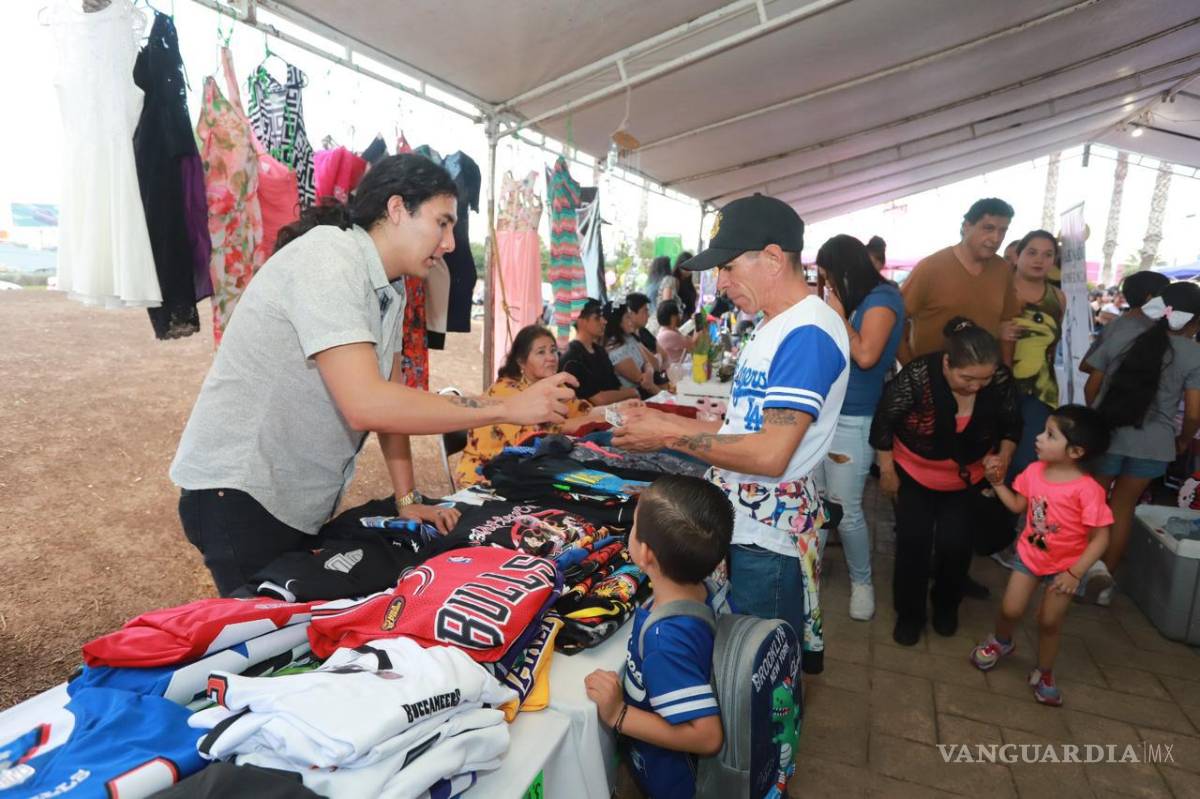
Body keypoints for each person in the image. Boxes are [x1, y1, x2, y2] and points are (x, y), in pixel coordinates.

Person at [170, 154, 577, 596]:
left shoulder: (392, 286)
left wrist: (407, 500)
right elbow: (367, 404)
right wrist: (506, 407)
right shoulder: (330, 258)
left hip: (283, 497)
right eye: (442, 223)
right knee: (270, 637)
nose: (451, 244)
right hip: (240, 493)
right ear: (398, 208)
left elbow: (391, 397)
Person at [613, 194, 850, 674]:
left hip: (769, 540)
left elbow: (769, 454)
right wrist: (665, 421)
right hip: (751, 525)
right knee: (742, 664)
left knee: (756, 678)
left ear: (772, 258)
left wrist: (667, 437)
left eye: (727, 266)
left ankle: (757, 753)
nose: (720, 282)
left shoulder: (807, 333)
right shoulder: (777, 324)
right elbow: (738, 429)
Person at [870, 318, 1021, 645]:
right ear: (947, 363)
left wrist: (1004, 455)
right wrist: (887, 470)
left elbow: (1012, 424)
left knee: (956, 545)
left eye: (985, 378)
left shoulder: (999, 380)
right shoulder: (918, 375)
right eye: (967, 378)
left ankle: (946, 605)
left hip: (967, 478)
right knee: (914, 542)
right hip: (914, 473)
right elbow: (884, 421)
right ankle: (909, 614)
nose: (976, 387)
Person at [584, 475, 730, 799]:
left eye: (633, 525)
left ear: (645, 553)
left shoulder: (666, 641)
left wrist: (618, 714)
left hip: (678, 782)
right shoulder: (706, 590)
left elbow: (707, 736)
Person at [970, 405, 1114, 706]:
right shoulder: (1033, 472)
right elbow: (1018, 506)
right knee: (1010, 610)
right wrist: (996, 484)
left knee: (1049, 622)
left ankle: (1045, 673)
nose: (1038, 438)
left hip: (1066, 568)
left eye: (1050, 435)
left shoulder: (1088, 490)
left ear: (1075, 452)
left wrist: (1075, 573)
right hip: (1029, 557)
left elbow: (1101, 537)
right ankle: (1001, 642)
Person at [1083, 281, 1200, 605]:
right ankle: (1104, 585)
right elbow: (1193, 413)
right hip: (1155, 443)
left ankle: (1076, 574)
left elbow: (1092, 384)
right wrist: (1183, 439)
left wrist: (1095, 416)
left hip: (1107, 435)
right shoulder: (1194, 354)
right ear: (1194, 322)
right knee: (1122, 508)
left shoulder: (1122, 333)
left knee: (1091, 506)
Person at [813, 234, 904, 621]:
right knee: (815, 502)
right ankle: (809, 574)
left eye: (830, 277)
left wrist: (835, 315)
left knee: (845, 507)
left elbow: (866, 356)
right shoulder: (853, 300)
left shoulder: (882, 299)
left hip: (854, 416)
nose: (828, 285)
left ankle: (862, 582)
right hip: (823, 414)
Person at [455, 325, 613, 486]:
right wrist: (595, 420)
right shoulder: (505, 391)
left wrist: (618, 410)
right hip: (485, 474)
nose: (551, 357)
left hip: (527, 468)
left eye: (553, 350)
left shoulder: (554, 386)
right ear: (521, 361)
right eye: (541, 352)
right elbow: (537, 437)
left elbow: (584, 412)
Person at [899, 197, 1020, 367]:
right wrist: (910, 368)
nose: (996, 238)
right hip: (933, 378)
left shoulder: (1003, 270)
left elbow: (1007, 325)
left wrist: (1005, 376)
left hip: (985, 379)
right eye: (988, 228)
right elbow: (895, 320)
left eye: (1003, 231)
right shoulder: (930, 268)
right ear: (966, 227)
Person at [1009, 230, 1065, 478]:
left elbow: (1054, 342)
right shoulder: (998, 289)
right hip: (992, 385)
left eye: (1047, 254)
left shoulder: (1058, 298)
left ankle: (1010, 512)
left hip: (1039, 391)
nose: (1039, 260)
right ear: (1017, 255)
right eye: (1032, 252)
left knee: (1026, 461)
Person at [1080, 270, 1170, 374]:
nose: (1168, 302)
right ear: (1150, 299)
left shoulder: (1117, 322)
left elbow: (1086, 365)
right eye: (1166, 296)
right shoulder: (1142, 329)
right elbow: (1087, 366)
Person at [559, 298, 640, 406]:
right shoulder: (572, 358)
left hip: (616, 413)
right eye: (597, 318)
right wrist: (631, 392)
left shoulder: (600, 350)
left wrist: (629, 398)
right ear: (581, 321)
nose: (604, 321)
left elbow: (616, 385)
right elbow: (598, 399)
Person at [606, 300, 662, 397]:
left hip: (649, 390)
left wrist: (649, 372)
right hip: (638, 398)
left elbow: (647, 363)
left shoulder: (629, 338)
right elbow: (644, 383)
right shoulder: (615, 350)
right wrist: (667, 398)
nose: (631, 320)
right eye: (627, 317)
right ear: (617, 321)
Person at [626, 292, 663, 369]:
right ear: (632, 314)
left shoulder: (643, 331)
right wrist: (657, 357)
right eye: (644, 311)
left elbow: (664, 355)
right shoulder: (629, 339)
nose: (648, 315)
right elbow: (655, 365)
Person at [655, 299, 694, 365]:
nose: (680, 316)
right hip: (680, 369)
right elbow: (693, 344)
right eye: (678, 314)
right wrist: (699, 323)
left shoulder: (667, 330)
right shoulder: (668, 335)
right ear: (673, 317)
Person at [673, 254, 699, 319]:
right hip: (680, 320)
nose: (690, 271)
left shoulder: (688, 280)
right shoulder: (674, 281)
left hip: (689, 319)